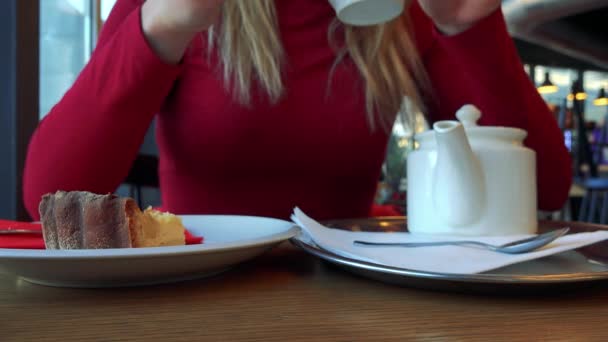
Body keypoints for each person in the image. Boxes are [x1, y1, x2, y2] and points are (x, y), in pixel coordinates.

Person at [23, 0, 572, 221]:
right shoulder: (181, 7)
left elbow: (544, 188)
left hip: (354, 295)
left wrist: (466, 25)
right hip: (187, 292)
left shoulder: (402, 14)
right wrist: (160, 26)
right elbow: (47, 195)